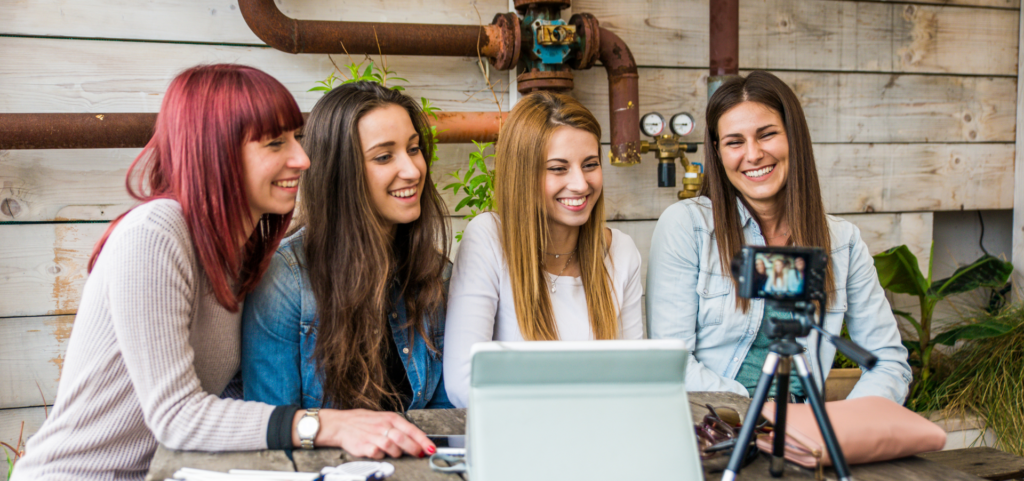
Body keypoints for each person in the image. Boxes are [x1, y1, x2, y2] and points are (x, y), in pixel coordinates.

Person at [12, 64, 407, 481]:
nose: (303, 159)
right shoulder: (154, 235)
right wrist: (325, 425)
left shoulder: (241, 249)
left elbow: (226, 398)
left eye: (297, 138)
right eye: (275, 144)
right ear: (215, 151)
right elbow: (176, 415)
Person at [646, 71, 911, 403]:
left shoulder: (842, 242)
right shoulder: (690, 227)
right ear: (717, 152)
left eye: (767, 134)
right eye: (734, 142)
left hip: (805, 435)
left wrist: (844, 427)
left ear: (793, 138)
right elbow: (673, 366)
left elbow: (888, 361)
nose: (753, 154)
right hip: (716, 430)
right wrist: (762, 418)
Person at [241, 82, 449, 457]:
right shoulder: (286, 282)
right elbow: (271, 435)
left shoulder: (433, 272)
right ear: (341, 172)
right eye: (384, 157)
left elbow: (447, 419)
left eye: (414, 149)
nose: (412, 169)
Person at [443, 91, 644, 408]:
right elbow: (463, 382)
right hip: (512, 438)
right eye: (558, 168)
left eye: (590, 164)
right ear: (523, 174)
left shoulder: (622, 252)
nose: (580, 184)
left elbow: (638, 378)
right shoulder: (489, 238)